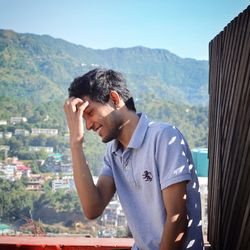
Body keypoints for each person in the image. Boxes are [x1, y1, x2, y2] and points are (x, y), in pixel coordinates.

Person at [64, 68, 204, 250]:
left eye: (89, 113)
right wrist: (76, 142)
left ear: (114, 99)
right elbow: (93, 208)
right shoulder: (113, 153)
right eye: (83, 120)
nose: (88, 125)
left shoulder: (162, 137)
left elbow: (177, 218)